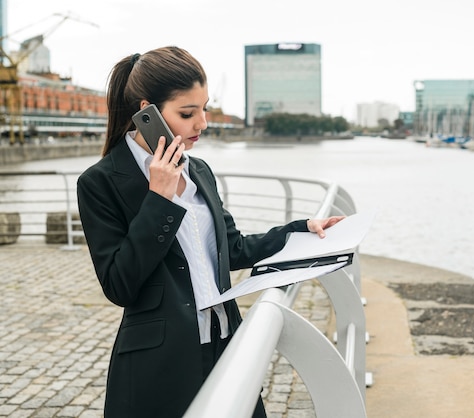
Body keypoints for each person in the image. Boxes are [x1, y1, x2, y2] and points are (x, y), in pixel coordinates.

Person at [76, 46, 344, 418]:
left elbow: (232, 249)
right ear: (146, 113)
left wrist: (299, 230)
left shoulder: (198, 170)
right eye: (188, 113)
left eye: (204, 108)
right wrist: (159, 198)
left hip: (224, 344)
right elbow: (120, 285)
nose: (202, 123)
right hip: (159, 364)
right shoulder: (100, 183)